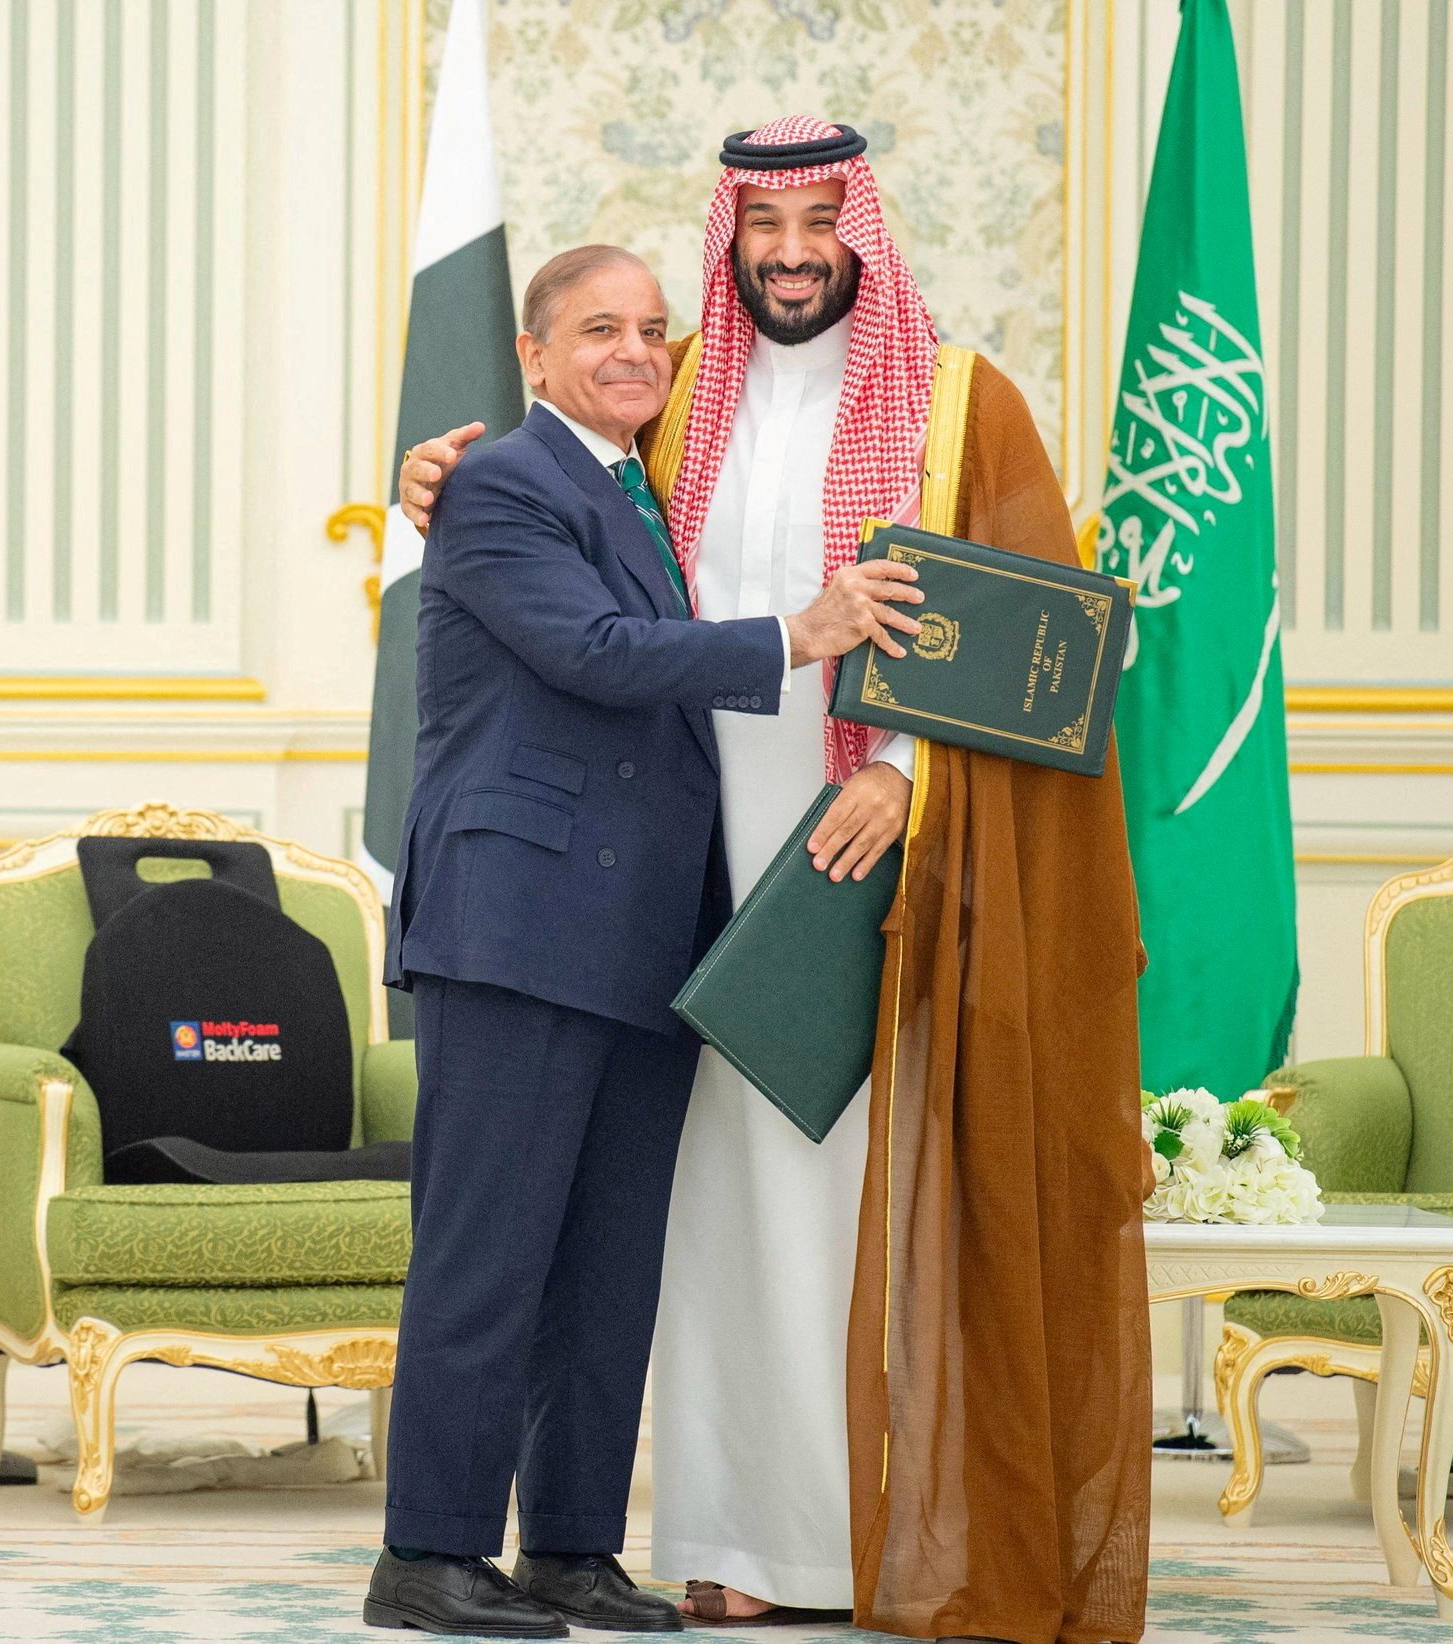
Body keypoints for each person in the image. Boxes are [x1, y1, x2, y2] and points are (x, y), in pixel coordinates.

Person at [402, 118, 1151, 1644]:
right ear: (728, 238)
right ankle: (725, 1537)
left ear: (861, 235)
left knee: (847, 1193)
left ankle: (882, 1535)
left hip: (864, 852)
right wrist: (440, 471)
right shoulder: (677, 413)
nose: (794, 252)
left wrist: (907, 775)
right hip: (651, 881)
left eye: (822, 223)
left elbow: (1064, 653)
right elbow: (566, 555)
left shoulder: (962, 407)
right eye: (765, 226)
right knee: (697, 1217)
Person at [368, 241, 924, 1641]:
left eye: (655, 331)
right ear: (536, 356)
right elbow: (599, 654)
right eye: (599, 328)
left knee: (609, 1267)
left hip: (638, 938)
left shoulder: (637, 487)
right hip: (518, 927)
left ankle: (567, 1548)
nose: (634, 350)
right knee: (487, 1256)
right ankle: (428, 1557)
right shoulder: (502, 481)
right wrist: (799, 636)